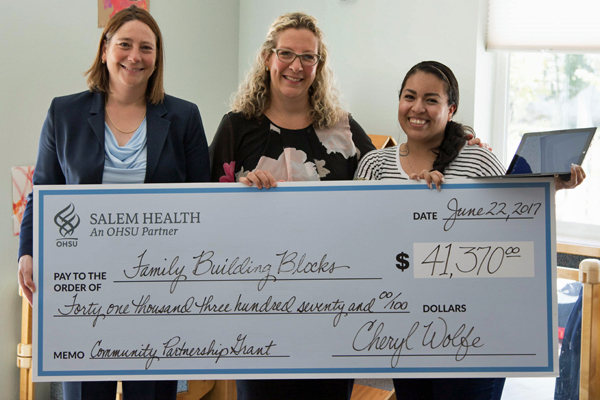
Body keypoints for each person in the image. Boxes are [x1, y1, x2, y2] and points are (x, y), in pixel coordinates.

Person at [355, 60, 585, 400]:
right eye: (409, 96)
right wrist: (409, 202)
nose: (418, 108)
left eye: (431, 99)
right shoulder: (374, 165)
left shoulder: (479, 160)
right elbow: (359, 241)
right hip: (403, 330)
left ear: (451, 109)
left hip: (477, 333)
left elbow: (513, 231)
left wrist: (553, 187)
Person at [17, 6, 210, 400]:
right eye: (124, 44)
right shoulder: (64, 113)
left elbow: (202, 201)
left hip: (160, 290)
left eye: (146, 48)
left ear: (157, 58)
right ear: (105, 49)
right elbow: (43, 190)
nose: (134, 56)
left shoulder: (185, 117)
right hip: (83, 286)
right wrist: (27, 253)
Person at [209, 11, 374, 400]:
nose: (296, 66)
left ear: (319, 66)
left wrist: (452, 147)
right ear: (268, 58)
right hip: (256, 303)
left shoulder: (343, 128)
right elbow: (206, 208)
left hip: (334, 301)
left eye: (308, 57)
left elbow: (386, 179)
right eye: (286, 54)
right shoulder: (236, 126)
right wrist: (238, 188)